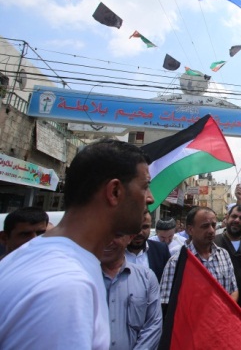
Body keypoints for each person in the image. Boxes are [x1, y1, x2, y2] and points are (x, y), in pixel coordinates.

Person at [0, 139, 153, 349]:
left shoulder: (38, 258)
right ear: (115, 192)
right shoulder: (65, 288)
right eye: (145, 187)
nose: (150, 198)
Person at [160, 207, 238, 312]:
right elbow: (166, 302)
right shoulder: (176, 262)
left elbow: (233, 290)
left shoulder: (224, 255)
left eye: (213, 225)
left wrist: (222, 313)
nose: (211, 230)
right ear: (190, 230)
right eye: (205, 226)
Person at [101, 233, 162, 349]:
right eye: (102, 235)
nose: (108, 241)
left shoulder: (146, 277)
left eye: (116, 235)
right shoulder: (82, 279)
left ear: (129, 238)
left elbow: (153, 325)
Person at [125, 212, 170, 281]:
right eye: (134, 227)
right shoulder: (114, 252)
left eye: (145, 227)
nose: (139, 232)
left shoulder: (161, 250)